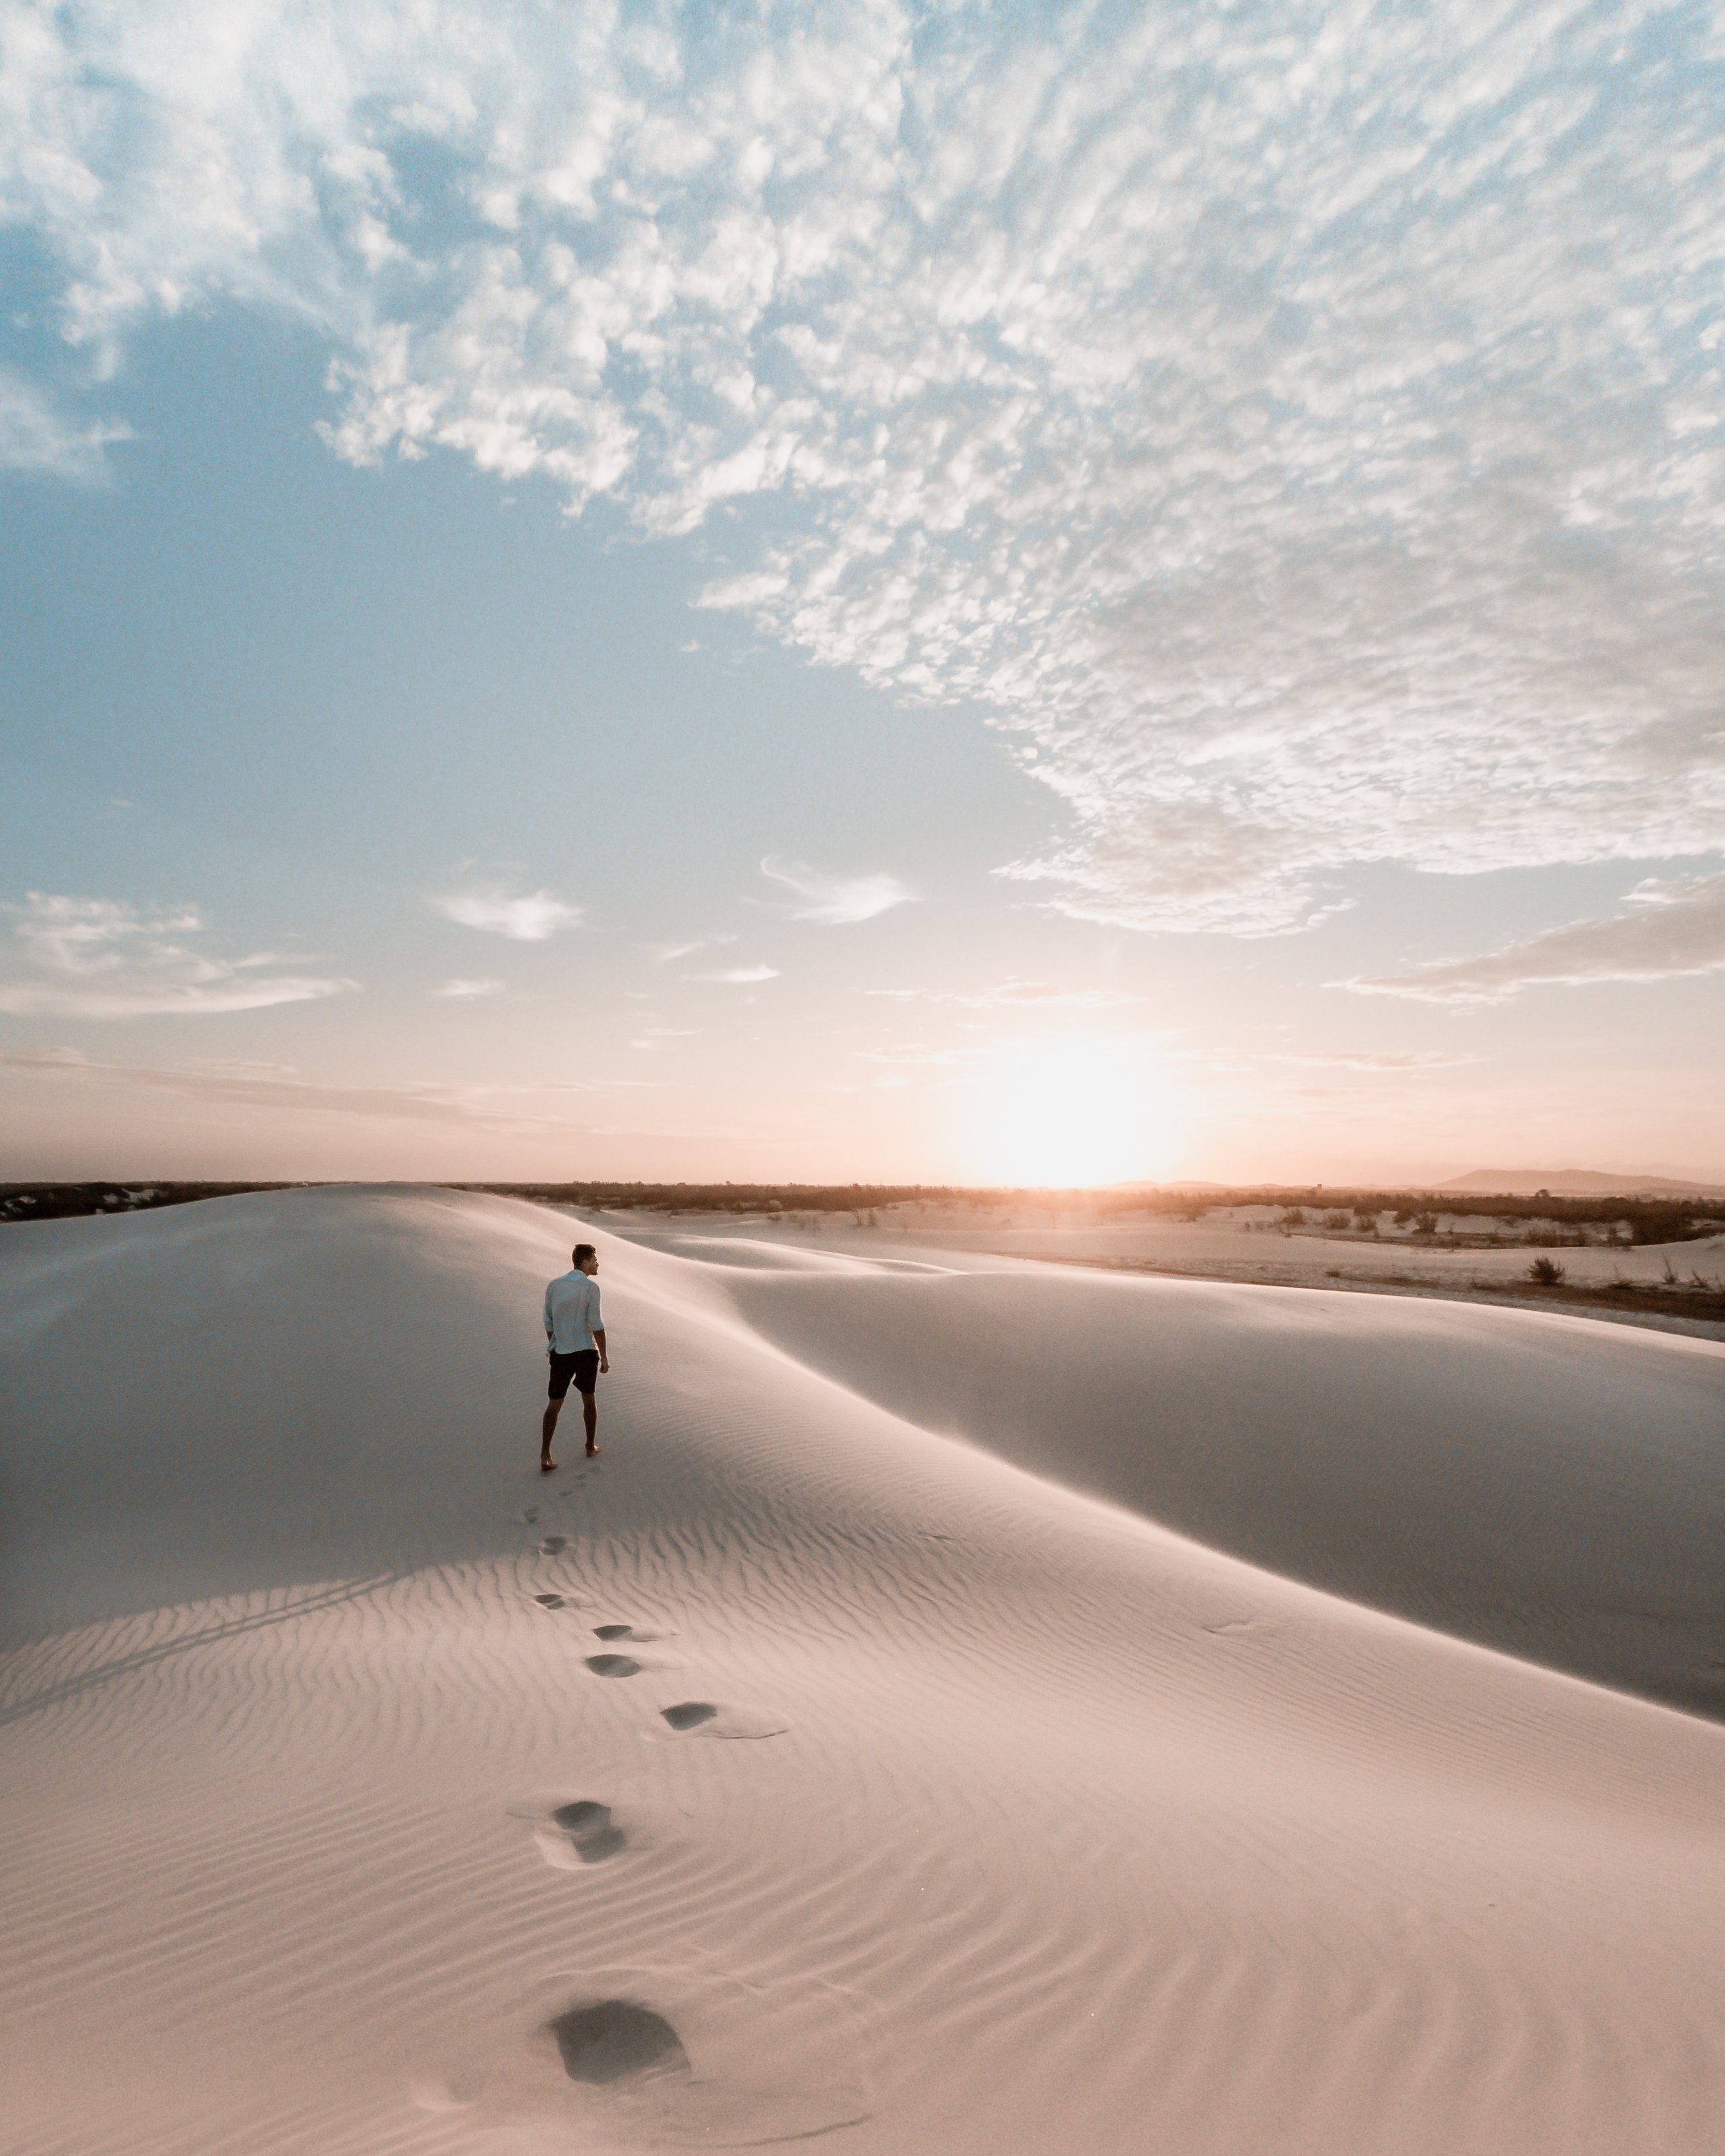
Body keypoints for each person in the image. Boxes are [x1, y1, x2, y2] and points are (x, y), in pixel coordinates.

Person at [541, 1243, 609, 1471]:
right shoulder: (591, 1288)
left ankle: (545, 1455)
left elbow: (548, 1321)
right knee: (589, 1399)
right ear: (586, 1260)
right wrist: (605, 1357)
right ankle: (590, 1446)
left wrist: (556, 1342)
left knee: (554, 1404)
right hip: (585, 1352)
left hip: (561, 1353)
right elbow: (596, 1325)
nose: (598, 1264)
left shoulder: (554, 1285)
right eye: (595, 1260)